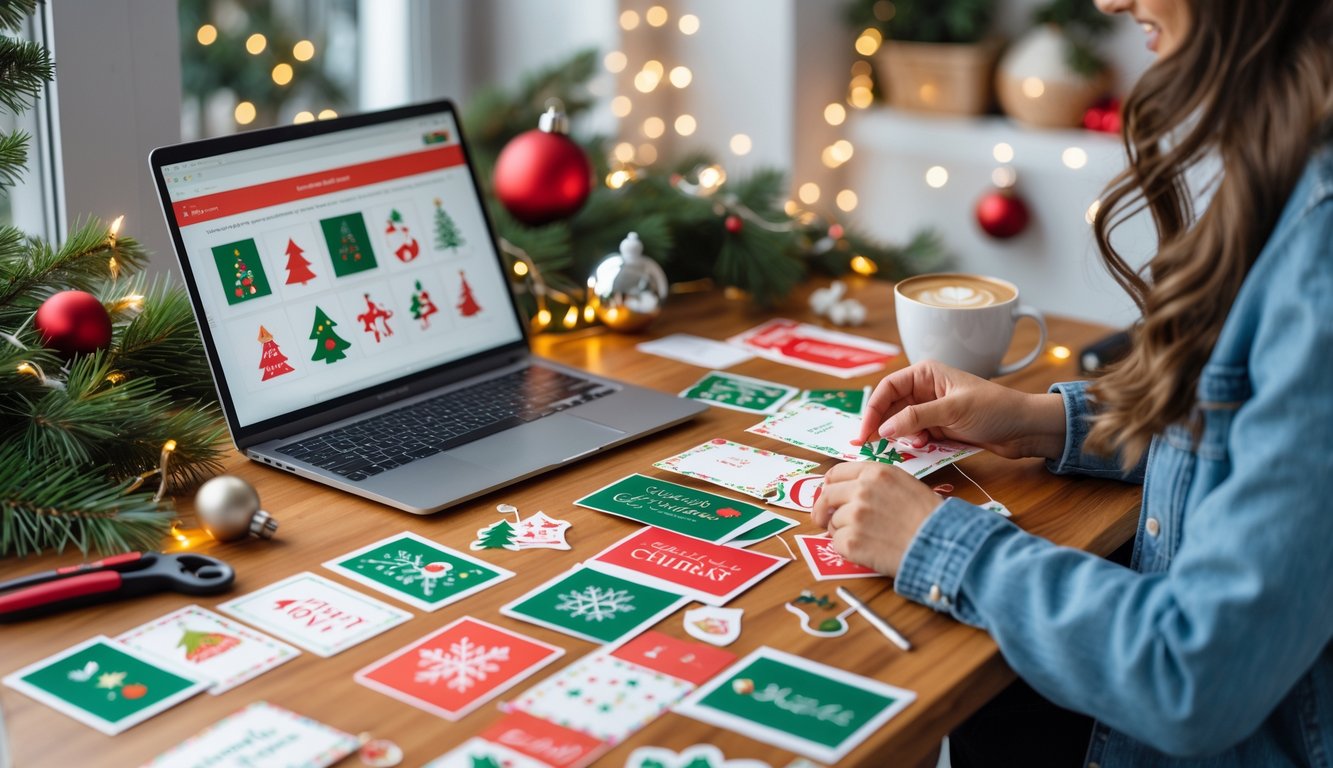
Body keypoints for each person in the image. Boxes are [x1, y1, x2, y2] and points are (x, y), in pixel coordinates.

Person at [811, 0, 1333, 765]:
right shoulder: (1290, 157)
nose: (1106, 2)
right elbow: (1243, 436)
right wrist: (1037, 421)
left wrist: (935, 540)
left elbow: (1193, 673)